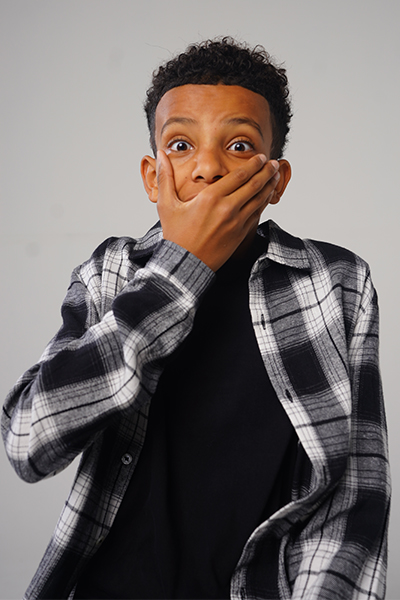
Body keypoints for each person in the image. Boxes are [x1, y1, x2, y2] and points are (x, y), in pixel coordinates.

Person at [1, 38, 390, 600]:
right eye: (181, 145)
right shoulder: (111, 274)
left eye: (239, 144)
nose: (207, 167)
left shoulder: (337, 283)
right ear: (152, 177)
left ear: (275, 179)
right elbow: (28, 443)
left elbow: (355, 497)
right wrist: (182, 268)